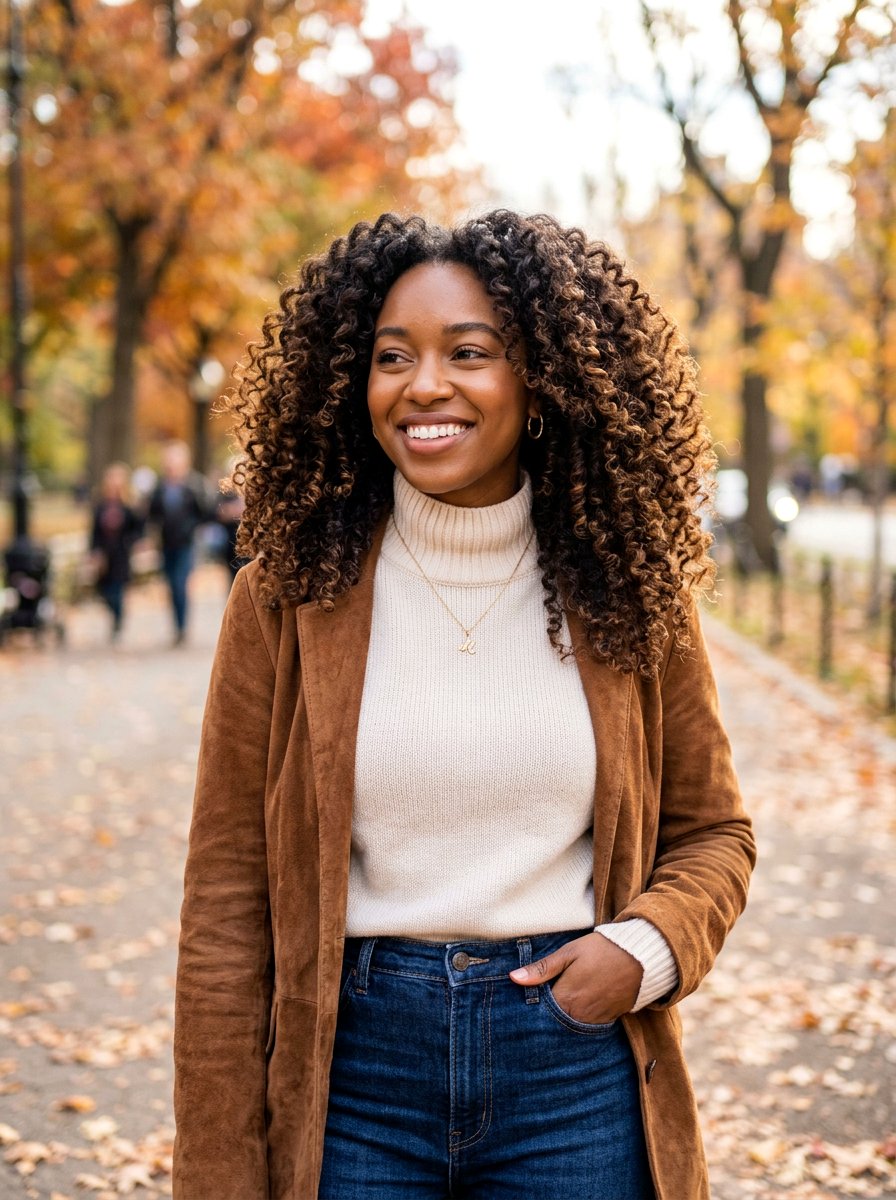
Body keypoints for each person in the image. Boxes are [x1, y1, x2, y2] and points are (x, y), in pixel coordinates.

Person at [173, 211, 756, 1200]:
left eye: (468, 352)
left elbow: (713, 833)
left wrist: (643, 950)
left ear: (542, 381)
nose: (423, 385)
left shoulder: (625, 587)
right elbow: (226, 909)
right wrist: (219, 1169)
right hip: (352, 1076)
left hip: (573, 1073)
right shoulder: (288, 594)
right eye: (391, 356)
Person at [146, 441, 210, 644]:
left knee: (180, 583)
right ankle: (176, 625)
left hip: (186, 543)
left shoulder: (193, 485)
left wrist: (192, 528)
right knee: (171, 584)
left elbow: (204, 512)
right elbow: (152, 514)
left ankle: (182, 627)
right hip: (166, 543)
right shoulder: (160, 487)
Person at [88, 462, 143, 642]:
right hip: (104, 555)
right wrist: (93, 551)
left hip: (121, 554)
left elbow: (138, 529)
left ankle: (118, 621)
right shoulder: (100, 506)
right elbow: (94, 531)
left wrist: (132, 542)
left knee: (118, 589)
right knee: (104, 590)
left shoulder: (128, 506)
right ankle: (114, 614)